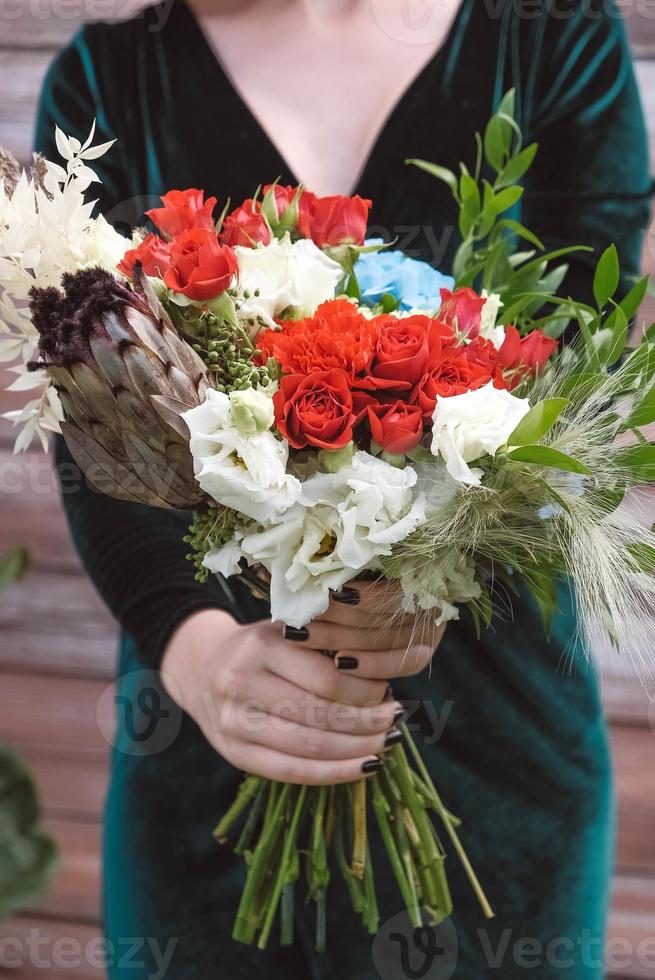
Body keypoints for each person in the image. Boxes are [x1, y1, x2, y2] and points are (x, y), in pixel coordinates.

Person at [34, 1, 652, 977]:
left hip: (493, 764)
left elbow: (567, 386)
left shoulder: (554, 33)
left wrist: (428, 566)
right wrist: (197, 657)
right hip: (215, 743)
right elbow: (99, 421)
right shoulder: (113, 77)